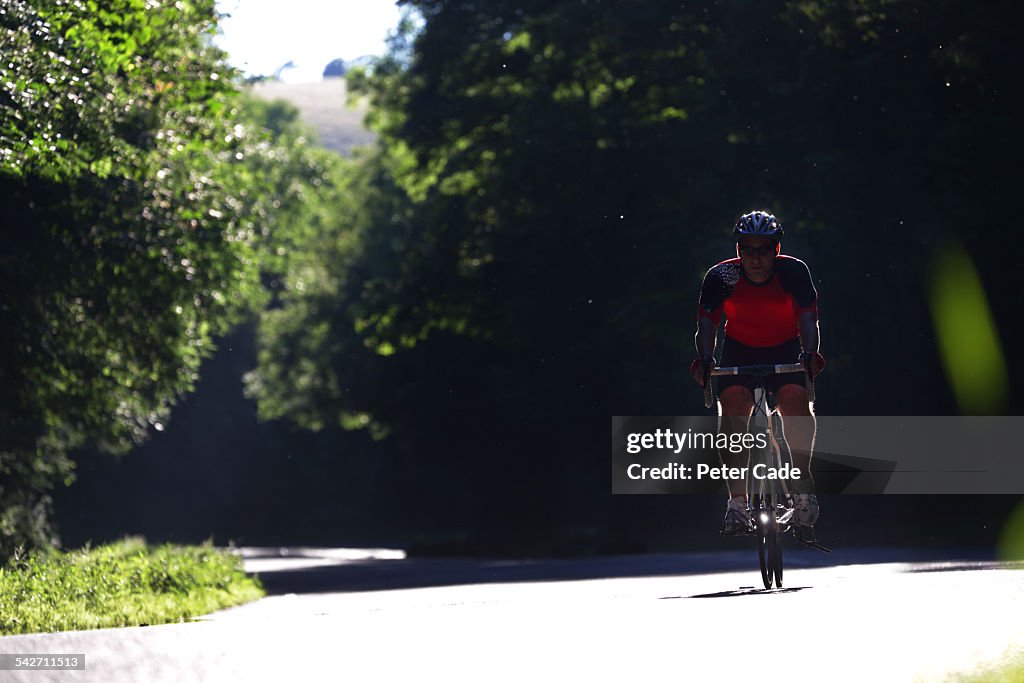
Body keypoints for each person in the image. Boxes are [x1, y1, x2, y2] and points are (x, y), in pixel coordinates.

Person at [690, 210, 825, 541]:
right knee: (733, 408)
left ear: (776, 250)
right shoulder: (724, 276)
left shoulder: (793, 272)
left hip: (785, 347)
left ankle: (804, 488)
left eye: (763, 249)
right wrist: (705, 359)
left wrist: (809, 354)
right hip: (740, 349)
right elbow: (707, 322)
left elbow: (808, 319)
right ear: (738, 251)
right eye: (746, 249)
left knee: (795, 400)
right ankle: (737, 503)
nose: (755, 258)